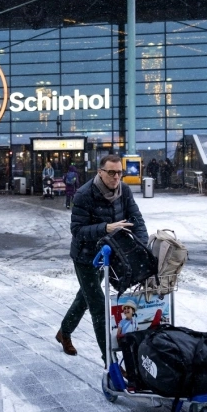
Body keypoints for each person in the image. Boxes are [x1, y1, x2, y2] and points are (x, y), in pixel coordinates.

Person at [55, 154, 148, 365]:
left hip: (109, 256)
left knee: (85, 298)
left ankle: (64, 332)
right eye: (111, 172)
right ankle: (110, 362)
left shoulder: (123, 190)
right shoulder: (83, 194)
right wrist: (105, 229)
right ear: (100, 172)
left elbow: (136, 220)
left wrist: (141, 246)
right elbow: (77, 230)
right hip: (85, 257)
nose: (116, 177)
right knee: (98, 305)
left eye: (119, 172)